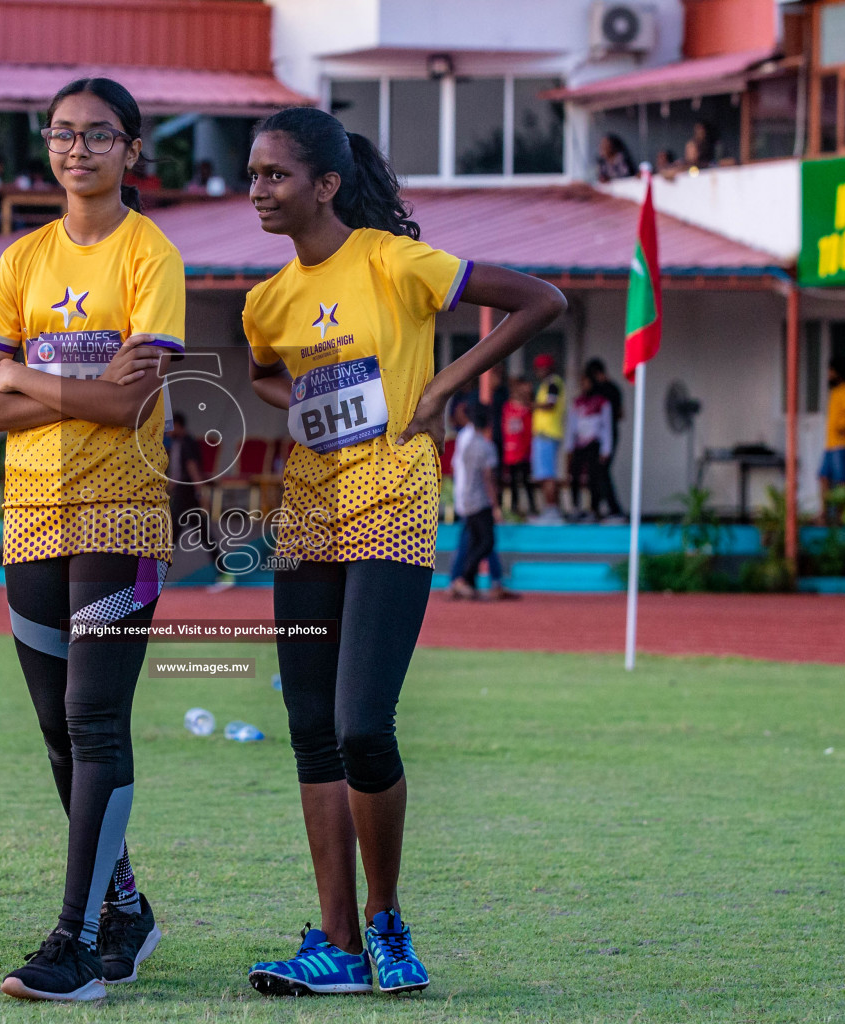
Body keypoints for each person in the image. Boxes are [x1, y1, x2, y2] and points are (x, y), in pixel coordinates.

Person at [242, 105, 565, 997]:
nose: (257, 190)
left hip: (390, 505)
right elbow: (264, 367)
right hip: (307, 512)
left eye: (275, 175)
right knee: (311, 734)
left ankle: (387, 923)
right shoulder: (267, 297)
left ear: (326, 184)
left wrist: (447, 385)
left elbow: (543, 299)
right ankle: (336, 943)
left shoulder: (393, 261)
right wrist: (294, 400)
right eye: (254, 173)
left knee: (359, 725)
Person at [0, 77, 182, 1002]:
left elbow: (132, 405)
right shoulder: (22, 261)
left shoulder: (150, 255)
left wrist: (25, 374)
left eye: (98, 135)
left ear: (132, 149)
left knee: (95, 722)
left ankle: (76, 945)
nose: (77, 149)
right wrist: (50, 387)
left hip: (122, 515)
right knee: (57, 732)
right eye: (62, 133)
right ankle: (127, 908)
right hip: (31, 517)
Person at [448, 404, 504, 600]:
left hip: (466, 497)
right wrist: (496, 505)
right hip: (479, 500)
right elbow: (488, 478)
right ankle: (463, 578)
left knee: (474, 541)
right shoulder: (485, 446)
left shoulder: (466, 441)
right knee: (485, 542)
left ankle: (467, 580)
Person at [166, 412, 217, 573]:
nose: (167, 431)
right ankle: (223, 571)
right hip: (184, 493)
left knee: (171, 536)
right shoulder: (177, 443)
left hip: (186, 493)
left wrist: (200, 493)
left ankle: (157, 575)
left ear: (178, 425)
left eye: (170, 427)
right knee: (203, 535)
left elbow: (193, 468)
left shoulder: (187, 442)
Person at [565, 372, 615, 521]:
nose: (584, 385)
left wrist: (606, 449)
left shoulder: (602, 403)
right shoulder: (578, 403)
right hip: (579, 444)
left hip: (594, 443)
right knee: (574, 475)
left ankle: (594, 509)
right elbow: (571, 427)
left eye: (587, 382)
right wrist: (569, 447)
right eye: (582, 382)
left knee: (594, 477)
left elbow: (606, 428)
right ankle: (575, 507)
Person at [819, 359, 845, 524]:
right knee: (823, 476)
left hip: (842, 444)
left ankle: (842, 516)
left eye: (831, 372)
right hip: (831, 444)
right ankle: (824, 513)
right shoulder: (835, 392)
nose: (829, 376)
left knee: (841, 480)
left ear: (838, 373)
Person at [585, 358, 625, 522]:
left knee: (601, 472)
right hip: (602, 436)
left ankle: (613, 509)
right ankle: (596, 509)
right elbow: (622, 414)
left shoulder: (603, 390)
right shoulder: (614, 388)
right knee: (595, 473)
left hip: (604, 436)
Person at [530, 353, 566, 523]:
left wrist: (530, 404)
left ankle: (552, 511)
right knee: (546, 474)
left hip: (547, 434)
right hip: (546, 435)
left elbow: (550, 404)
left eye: (540, 368)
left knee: (547, 475)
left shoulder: (553, 383)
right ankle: (553, 510)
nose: (538, 371)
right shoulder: (548, 384)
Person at [501, 376, 536, 515]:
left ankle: (532, 507)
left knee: (527, 479)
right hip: (511, 450)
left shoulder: (529, 408)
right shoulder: (508, 407)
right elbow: (506, 428)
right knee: (513, 480)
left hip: (526, 450)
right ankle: (514, 508)